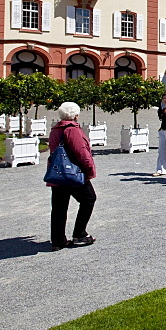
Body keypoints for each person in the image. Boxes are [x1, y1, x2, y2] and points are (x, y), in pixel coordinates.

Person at [47, 102, 96, 251]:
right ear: (75, 115)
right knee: (88, 199)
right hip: (73, 172)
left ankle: (58, 240)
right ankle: (79, 233)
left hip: (57, 173)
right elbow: (80, 152)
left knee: (59, 207)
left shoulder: (55, 129)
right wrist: (90, 169)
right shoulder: (72, 130)